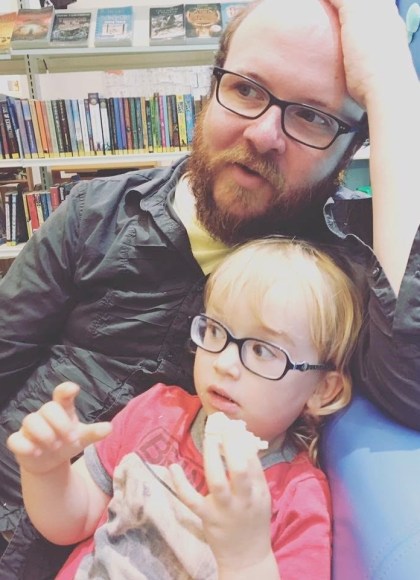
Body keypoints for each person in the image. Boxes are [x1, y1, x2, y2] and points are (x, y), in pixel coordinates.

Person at [0, 0, 418, 576]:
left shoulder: (346, 277)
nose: (263, 134)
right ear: (211, 88)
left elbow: (412, 379)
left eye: (313, 117)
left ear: (351, 150)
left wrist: (392, 83)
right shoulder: (95, 211)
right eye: (246, 88)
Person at [7, 237, 364, 580]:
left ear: (322, 390)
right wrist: (46, 470)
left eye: (261, 350)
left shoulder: (299, 499)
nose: (224, 363)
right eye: (216, 331)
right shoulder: (155, 410)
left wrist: (247, 559)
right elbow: (73, 521)